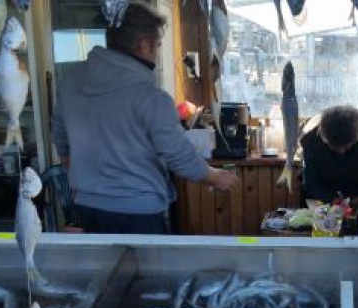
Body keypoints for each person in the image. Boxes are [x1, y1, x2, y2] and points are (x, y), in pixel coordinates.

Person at [51, 3, 236, 234]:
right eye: (157, 45)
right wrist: (214, 176)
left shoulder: (69, 85)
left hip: (86, 208)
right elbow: (177, 154)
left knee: (101, 261)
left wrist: (90, 179)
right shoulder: (151, 98)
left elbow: (61, 141)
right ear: (144, 45)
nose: (157, 52)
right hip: (139, 213)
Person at [300, 105, 358, 204]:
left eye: (346, 147)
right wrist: (332, 200)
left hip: (355, 192)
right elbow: (310, 182)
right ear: (324, 139)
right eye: (335, 147)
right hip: (321, 196)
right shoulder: (309, 140)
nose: (341, 152)